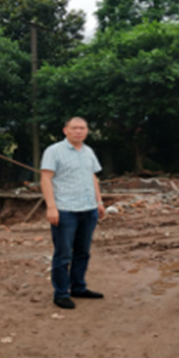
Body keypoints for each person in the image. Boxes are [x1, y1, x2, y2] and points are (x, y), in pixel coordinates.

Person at [40, 117, 107, 310]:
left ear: (87, 131)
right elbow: (46, 179)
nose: (79, 131)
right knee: (63, 254)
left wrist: (99, 202)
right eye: (74, 128)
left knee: (83, 252)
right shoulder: (54, 151)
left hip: (88, 209)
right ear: (65, 130)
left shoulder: (88, 151)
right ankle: (61, 293)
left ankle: (78, 287)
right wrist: (51, 207)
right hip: (65, 210)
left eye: (82, 128)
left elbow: (92, 177)